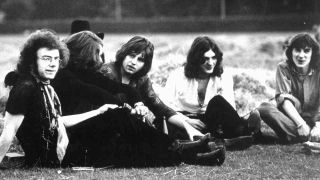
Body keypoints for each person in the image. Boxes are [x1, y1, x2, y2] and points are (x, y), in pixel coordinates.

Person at [52, 31, 226, 167]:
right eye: (97, 54)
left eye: (140, 59)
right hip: (72, 137)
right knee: (122, 124)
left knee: (132, 141)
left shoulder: (83, 72)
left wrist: (137, 103)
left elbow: (125, 90)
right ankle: (183, 150)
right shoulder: (66, 76)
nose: (99, 60)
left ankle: (191, 155)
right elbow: (96, 93)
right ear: (85, 53)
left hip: (87, 130)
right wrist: (127, 107)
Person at [0, 29, 115, 168]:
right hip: (49, 161)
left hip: (60, 156)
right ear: (32, 61)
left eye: (56, 59)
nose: (53, 64)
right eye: (46, 58)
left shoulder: (43, 85)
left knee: (115, 124)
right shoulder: (25, 87)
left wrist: (99, 111)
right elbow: (9, 131)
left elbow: (57, 121)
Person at [160, 36, 261, 147]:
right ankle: (226, 138)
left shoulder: (223, 76)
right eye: (205, 59)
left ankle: (236, 133)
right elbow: (164, 106)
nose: (210, 63)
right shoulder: (177, 75)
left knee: (217, 101)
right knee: (172, 130)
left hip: (211, 120)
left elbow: (228, 108)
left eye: (214, 58)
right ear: (196, 59)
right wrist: (187, 121)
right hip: (184, 118)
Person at [100, 36, 205, 140]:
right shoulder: (108, 71)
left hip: (128, 127)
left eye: (140, 60)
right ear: (123, 54)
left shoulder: (142, 79)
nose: (133, 62)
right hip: (105, 127)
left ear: (145, 64)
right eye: (131, 56)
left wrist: (187, 125)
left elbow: (160, 108)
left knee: (164, 121)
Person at [258, 33, 320, 143]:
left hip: (316, 119)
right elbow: (283, 100)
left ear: (313, 53)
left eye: (306, 51)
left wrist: (318, 126)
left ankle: (297, 136)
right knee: (264, 108)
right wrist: (301, 124)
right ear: (290, 52)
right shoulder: (283, 68)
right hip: (294, 119)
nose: (301, 56)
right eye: (297, 50)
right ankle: (305, 135)